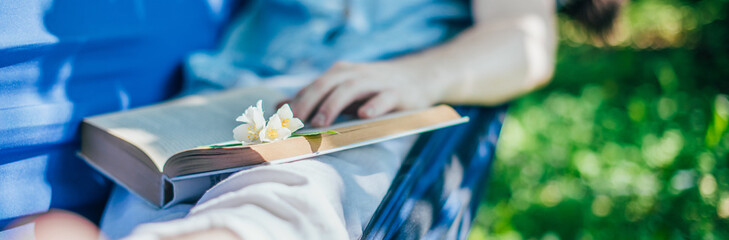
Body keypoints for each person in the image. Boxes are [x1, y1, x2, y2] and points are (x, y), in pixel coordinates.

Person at [3, 0, 625, 239]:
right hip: (205, 118)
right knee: (60, 227)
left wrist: (420, 76)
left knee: (283, 206)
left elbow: (523, 42)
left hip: (354, 112)